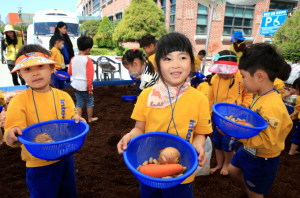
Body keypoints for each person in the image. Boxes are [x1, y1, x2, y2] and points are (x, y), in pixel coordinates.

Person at [117, 32, 212, 198]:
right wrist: (130, 136)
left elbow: (199, 134)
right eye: (167, 59)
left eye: (182, 57)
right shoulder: (147, 95)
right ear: (158, 64)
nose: (176, 64)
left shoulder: (200, 99)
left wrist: (198, 146)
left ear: (192, 61)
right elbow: (139, 128)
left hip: (181, 173)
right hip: (150, 170)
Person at [3, 44, 86, 197]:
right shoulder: (19, 102)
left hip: (65, 157)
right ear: (20, 74)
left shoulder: (63, 97)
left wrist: (76, 119)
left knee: (68, 194)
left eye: (40, 66)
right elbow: (12, 130)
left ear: (52, 68)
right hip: (38, 164)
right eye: (27, 69)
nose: (35, 73)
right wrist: (11, 134)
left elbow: (71, 117)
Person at [221, 43, 293, 198]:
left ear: (260, 76)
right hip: (248, 148)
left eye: (244, 76)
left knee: (256, 192)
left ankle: (253, 193)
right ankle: (249, 190)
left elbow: (267, 141)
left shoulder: (273, 106)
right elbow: (254, 119)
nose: (242, 81)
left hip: (263, 158)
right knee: (233, 171)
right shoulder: (260, 95)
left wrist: (239, 135)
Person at [207, 50, 253, 176]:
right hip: (217, 116)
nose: (224, 76)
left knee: (229, 142)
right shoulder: (214, 79)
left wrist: (245, 105)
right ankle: (219, 164)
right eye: (221, 73)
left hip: (235, 117)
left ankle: (228, 164)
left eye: (228, 73)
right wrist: (209, 113)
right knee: (217, 141)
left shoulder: (241, 77)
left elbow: (248, 93)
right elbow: (210, 98)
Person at [68, 36, 98, 123]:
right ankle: (90, 119)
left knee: (79, 102)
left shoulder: (73, 58)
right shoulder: (87, 59)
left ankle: (79, 119)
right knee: (89, 101)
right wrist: (90, 88)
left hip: (75, 84)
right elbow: (90, 75)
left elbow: (69, 72)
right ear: (88, 49)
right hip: (84, 85)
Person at [289, 77, 300, 155]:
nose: (297, 93)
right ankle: (292, 152)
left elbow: (297, 111)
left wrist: (293, 117)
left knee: (298, 135)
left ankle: (292, 152)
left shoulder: (299, 99)